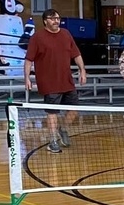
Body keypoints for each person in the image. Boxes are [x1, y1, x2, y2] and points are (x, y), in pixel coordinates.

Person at [24, 9, 86, 154]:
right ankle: (52, 141)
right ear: (45, 21)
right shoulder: (37, 37)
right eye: (52, 18)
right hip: (49, 82)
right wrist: (27, 78)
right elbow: (28, 60)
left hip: (66, 80)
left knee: (74, 110)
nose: (56, 21)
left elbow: (76, 54)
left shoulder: (66, 34)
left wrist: (82, 70)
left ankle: (62, 129)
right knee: (52, 112)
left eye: (57, 18)